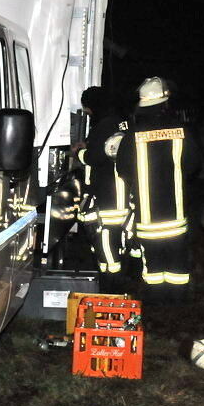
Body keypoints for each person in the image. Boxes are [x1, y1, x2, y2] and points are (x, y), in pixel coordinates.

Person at [115, 77, 199, 300]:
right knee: (177, 265)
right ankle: (178, 304)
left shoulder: (132, 135)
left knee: (153, 267)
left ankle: (157, 303)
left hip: (147, 217)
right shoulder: (181, 131)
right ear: (165, 103)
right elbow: (193, 166)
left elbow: (122, 170)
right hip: (176, 214)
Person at [77, 87, 131, 291]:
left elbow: (96, 157)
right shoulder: (121, 121)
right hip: (122, 190)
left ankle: (112, 283)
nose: (88, 114)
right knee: (118, 236)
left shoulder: (104, 125)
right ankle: (116, 277)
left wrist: (80, 152)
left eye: (88, 110)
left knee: (107, 236)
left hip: (110, 192)